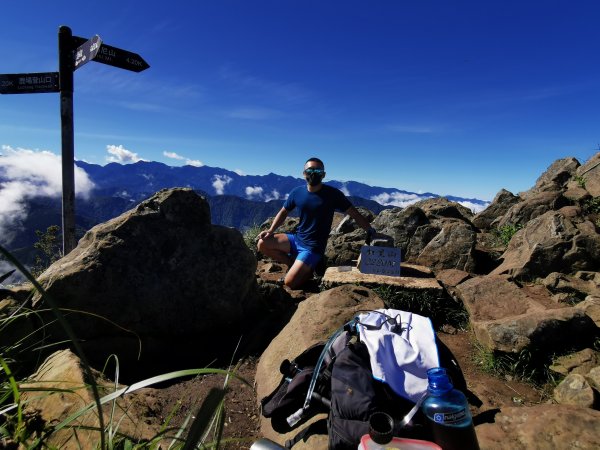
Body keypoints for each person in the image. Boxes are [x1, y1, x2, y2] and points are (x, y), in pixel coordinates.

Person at [257, 157, 377, 289]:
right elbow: (283, 212)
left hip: (313, 248)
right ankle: (293, 263)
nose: (313, 173)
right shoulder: (297, 192)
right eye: (310, 170)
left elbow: (354, 213)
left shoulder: (333, 194)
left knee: (290, 283)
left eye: (318, 171)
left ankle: (307, 269)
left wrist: (370, 230)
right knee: (262, 243)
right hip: (296, 239)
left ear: (323, 175)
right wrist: (271, 231)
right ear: (304, 173)